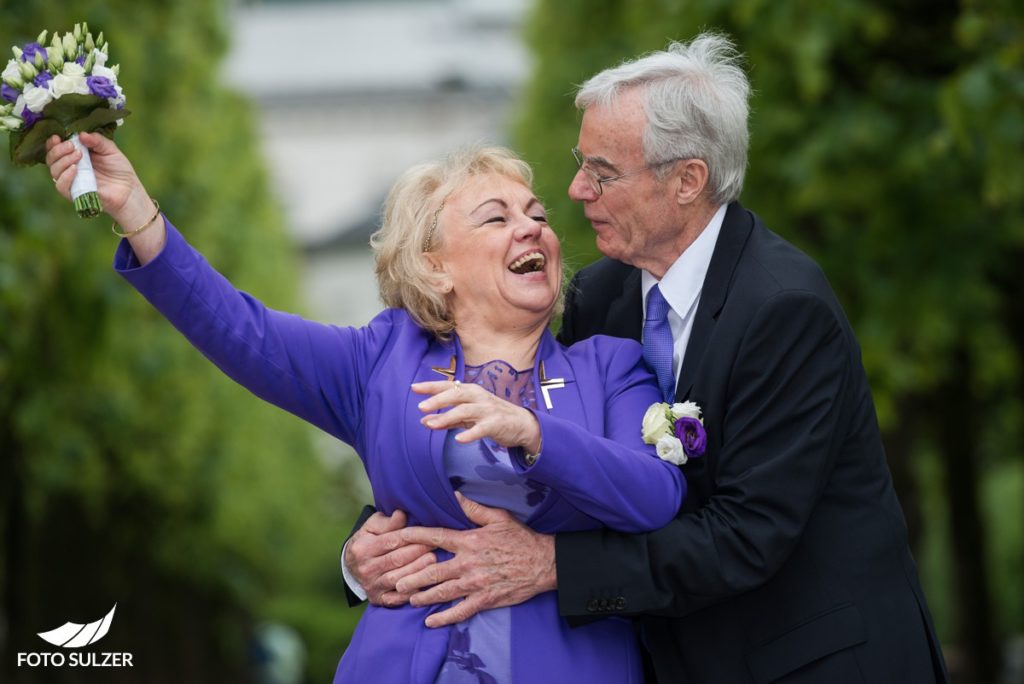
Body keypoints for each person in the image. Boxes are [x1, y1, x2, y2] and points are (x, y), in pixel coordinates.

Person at [344, 33, 951, 683]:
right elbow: (536, 442)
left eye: (603, 172)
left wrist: (552, 565)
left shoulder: (784, 310)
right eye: (581, 163)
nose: (577, 190)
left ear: (687, 181)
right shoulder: (599, 296)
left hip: (811, 661)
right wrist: (372, 544)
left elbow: (744, 536)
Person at [45, 134, 685, 683]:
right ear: (436, 268)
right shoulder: (382, 359)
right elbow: (243, 331)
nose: (532, 228)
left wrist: (534, 431)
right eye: (496, 218)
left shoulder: (611, 366)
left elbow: (657, 495)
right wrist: (137, 215)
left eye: (537, 214)